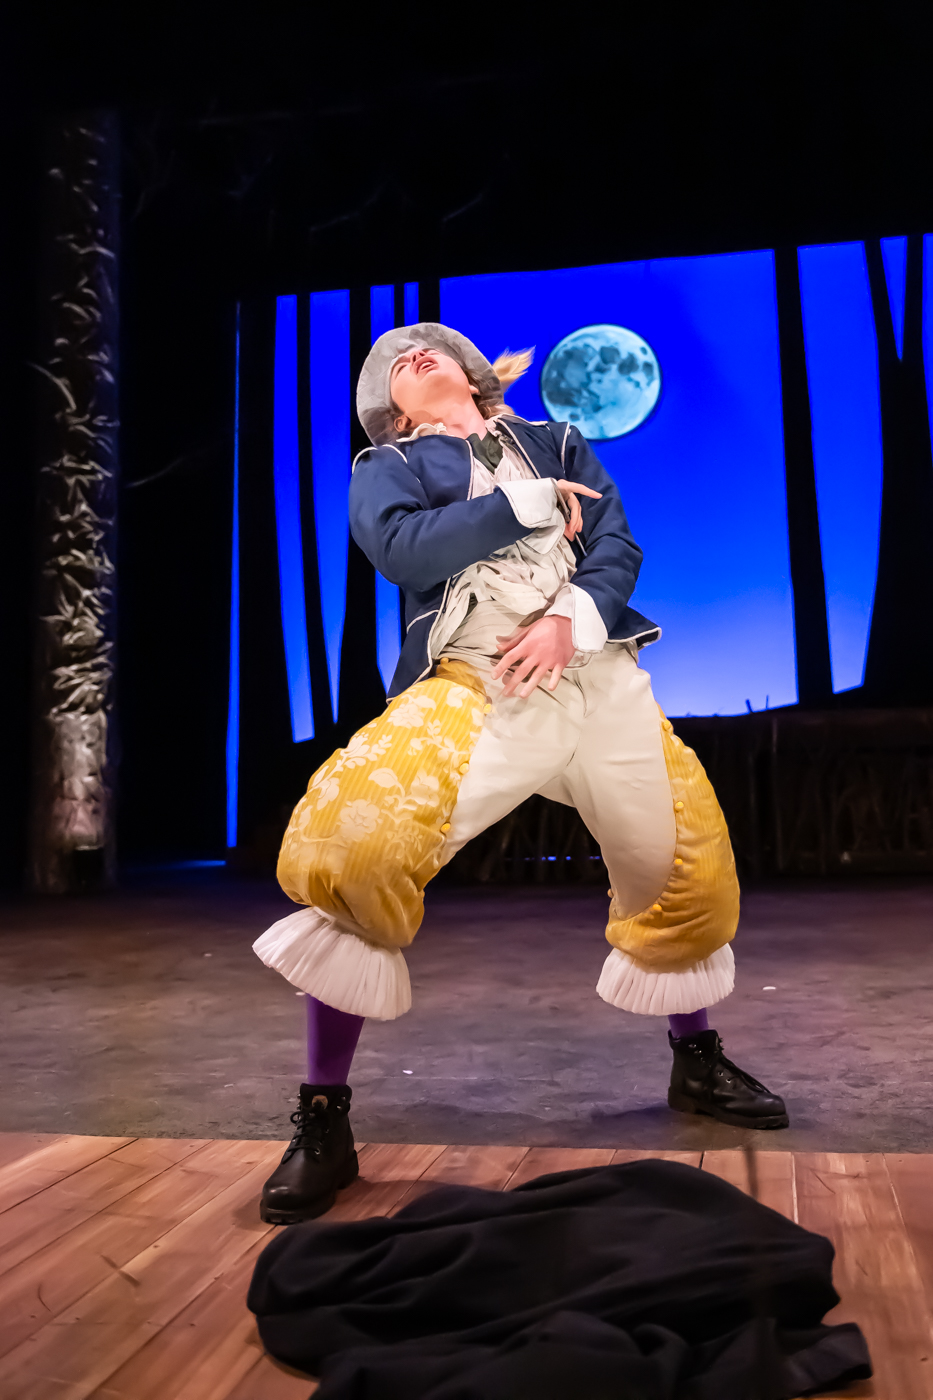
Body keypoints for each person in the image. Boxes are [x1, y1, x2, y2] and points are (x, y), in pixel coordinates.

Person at [253, 322, 788, 1224]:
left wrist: (568, 621)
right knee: (357, 844)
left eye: (429, 347)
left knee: (685, 867)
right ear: (389, 408)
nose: (411, 352)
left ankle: (697, 1065)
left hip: (597, 677)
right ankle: (322, 1117)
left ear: (471, 374)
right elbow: (402, 550)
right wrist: (522, 506)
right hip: (479, 682)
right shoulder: (388, 465)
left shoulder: (557, 441)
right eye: (394, 361)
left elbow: (615, 543)